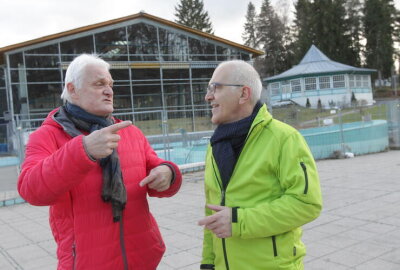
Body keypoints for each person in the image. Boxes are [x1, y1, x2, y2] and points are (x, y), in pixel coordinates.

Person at [18, 54, 182, 270]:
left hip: (143, 258)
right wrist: (82, 151)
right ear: (73, 89)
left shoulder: (129, 131)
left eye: (110, 84)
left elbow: (156, 166)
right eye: (99, 84)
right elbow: (31, 190)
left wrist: (168, 173)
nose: (109, 91)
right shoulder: (46, 136)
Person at [198, 60, 322, 270]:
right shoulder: (215, 146)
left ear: (243, 94)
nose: (208, 96)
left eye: (215, 88)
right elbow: (213, 213)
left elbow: (307, 204)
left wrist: (239, 221)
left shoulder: (284, 138)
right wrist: (208, 262)